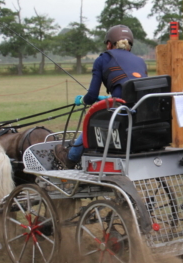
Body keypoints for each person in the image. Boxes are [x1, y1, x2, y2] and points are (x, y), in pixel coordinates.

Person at [54, 24, 148, 169]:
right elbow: (132, 91)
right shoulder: (140, 61)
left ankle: (71, 157)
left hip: (120, 113)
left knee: (92, 120)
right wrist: (106, 99)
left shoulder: (102, 59)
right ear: (130, 45)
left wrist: (82, 100)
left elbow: (91, 95)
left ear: (109, 44)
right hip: (141, 113)